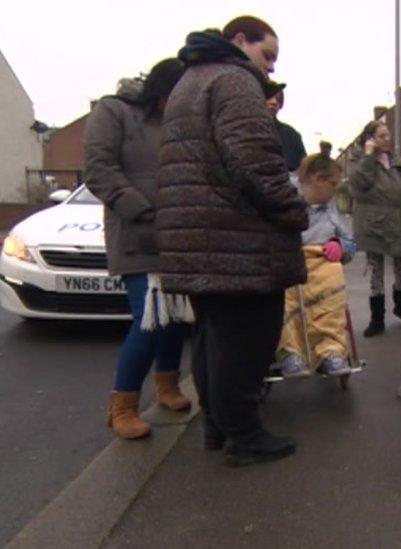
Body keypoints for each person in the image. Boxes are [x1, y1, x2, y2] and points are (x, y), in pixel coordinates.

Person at [156, 16, 308, 467]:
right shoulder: (234, 81)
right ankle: (244, 435)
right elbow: (256, 165)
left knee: (213, 338)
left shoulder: (192, 80)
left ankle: (219, 428)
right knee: (246, 341)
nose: (270, 69)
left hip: (203, 239)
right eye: (268, 56)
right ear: (239, 41)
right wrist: (294, 211)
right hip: (236, 241)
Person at [84, 58, 190, 440]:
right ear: (162, 91)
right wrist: (143, 211)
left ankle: (167, 386)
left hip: (176, 234)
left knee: (176, 316)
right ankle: (123, 405)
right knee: (150, 319)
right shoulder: (113, 111)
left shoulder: (177, 121)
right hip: (136, 232)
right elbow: (98, 170)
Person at [275, 141, 357, 378]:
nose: (335, 190)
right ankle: (290, 352)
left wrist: (340, 246)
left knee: (333, 278)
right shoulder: (283, 196)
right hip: (289, 257)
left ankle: (330, 350)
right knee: (284, 293)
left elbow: (350, 242)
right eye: (333, 184)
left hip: (321, 260)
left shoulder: (330, 207)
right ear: (317, 179)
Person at [349, 121, 401, 338]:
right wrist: (369, 156)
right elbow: (359, 185)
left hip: (398, 222)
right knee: (376, 272)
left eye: (388, 135)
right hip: (374, 225)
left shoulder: (396, 162)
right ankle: (377, 319)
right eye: (382, 135)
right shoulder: (359, 161)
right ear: (370, 139)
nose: (387, 139)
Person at [265, 83, 307, 172]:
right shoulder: (242, 129)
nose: (274, 102)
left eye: (278, 98)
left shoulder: (292, 135)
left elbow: (303, 172)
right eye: (269, 97)